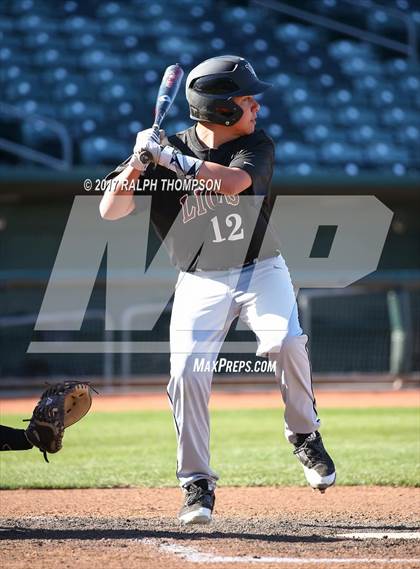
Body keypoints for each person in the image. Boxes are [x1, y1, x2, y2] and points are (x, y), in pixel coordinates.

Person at [99, 55, 336, 525]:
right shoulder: (165, 151)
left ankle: (304, 435)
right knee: (186, 372)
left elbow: (236, 184)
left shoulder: (257, 145)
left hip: (260, 268)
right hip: (199, 277)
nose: (256, 107)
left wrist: (168, 158)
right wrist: (137, 163)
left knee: (282, 341)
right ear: (222, 109)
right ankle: (196, 484)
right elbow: (110, 209)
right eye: (247, 99)